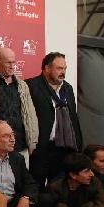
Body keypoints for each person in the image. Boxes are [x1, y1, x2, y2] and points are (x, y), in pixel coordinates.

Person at [27, 52, 82, 190]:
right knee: (36, 187)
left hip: (63, 148)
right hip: (41, 147)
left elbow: (73, 118)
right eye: (59, 68)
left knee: (59, 188)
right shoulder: (31, 86)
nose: (63, 72)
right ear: (47, 68)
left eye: (64, 69)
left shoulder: (67, 88)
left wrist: (78, 144)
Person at [0, 47, 38, 166]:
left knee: (21, 182)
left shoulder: (23, 86)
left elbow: (30, 115)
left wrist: (32, 141)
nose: (12, 65)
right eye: (8, 62)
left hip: (21, 146)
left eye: (13, 62)